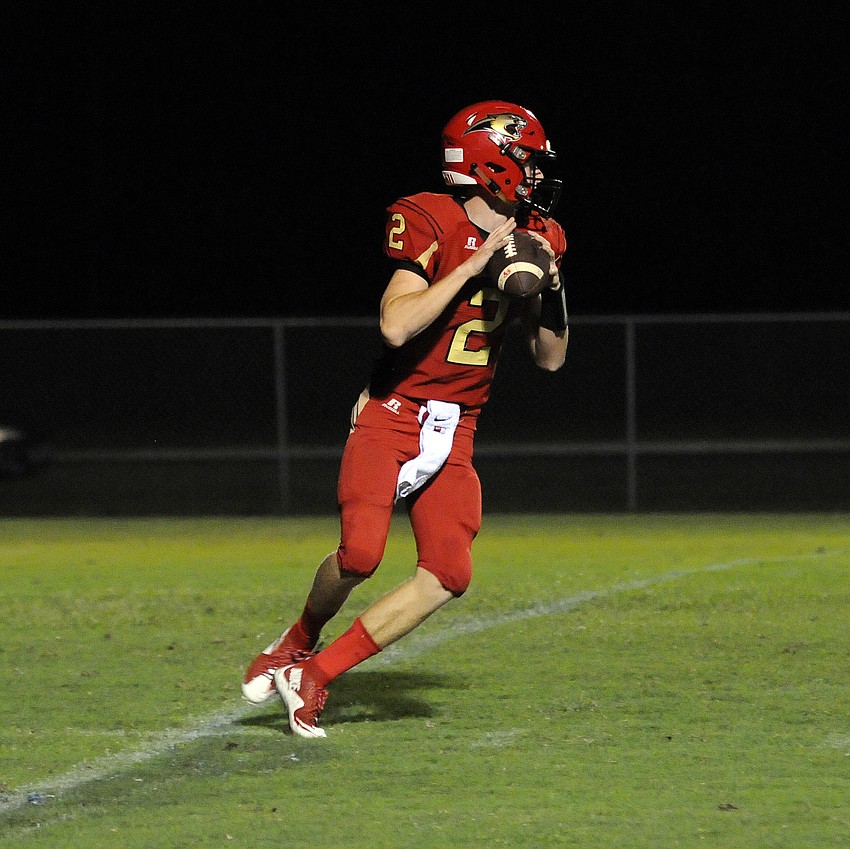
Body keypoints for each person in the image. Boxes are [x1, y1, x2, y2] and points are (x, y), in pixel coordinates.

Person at [242, 100, 569, 738]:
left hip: (461, 424)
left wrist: (551, 287)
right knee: (361, 554)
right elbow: (395, 326)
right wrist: (474, 267)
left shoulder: (543, 235)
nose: (536, 174)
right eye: (526, 160)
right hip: (396, 412)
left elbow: (551, 359)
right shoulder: (430, 217)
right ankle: (298, 639)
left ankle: (315, 675)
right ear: (491, 160)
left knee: (449, 572)